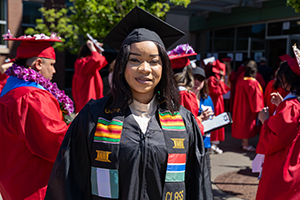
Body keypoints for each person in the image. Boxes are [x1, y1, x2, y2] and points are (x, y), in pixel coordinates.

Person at [45, 6, 213, 200]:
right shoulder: (93, 117)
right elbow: (69, 183)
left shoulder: (183, 120)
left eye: (153, 61)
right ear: (122, 65)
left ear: (163, 67)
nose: (145, 69)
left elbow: (198, 186)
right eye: (135, 60)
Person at [0, 32, 73, 200]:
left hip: (13, 180)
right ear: (38, 64)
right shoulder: (33, 97)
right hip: (36, 185)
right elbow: (55, 142)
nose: (54, 70)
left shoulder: (9, 91)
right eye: (52, 64)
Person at [256, 56, 300, 199]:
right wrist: (282, 106)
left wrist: (265, 120)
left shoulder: (291, 106)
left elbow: (274, 140)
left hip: (283, 164)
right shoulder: (293, 104)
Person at [168, 43, 204, 134]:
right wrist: (200, 120)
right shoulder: (185, 95)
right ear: (187, 73)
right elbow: (191, 125)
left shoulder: (164, 92)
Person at [231, 60, 264, 151]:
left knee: (243, 125)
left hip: (240, 107)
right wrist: (258, 110)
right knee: (246, 125)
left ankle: (244, 143)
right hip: (248, 108)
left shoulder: (241, 81)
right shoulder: (253, 83)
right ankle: (246, 145)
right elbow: (256, 99)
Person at [72, 39, 108, 113]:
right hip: (86, 99)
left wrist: (98, 50)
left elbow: (101, 61)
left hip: (92, 98)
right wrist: (92, 48)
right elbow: (97, 59)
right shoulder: (82, 63)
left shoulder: (90, 64)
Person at [192, 66, 214, 174]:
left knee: (204, 178)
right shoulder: (183, 97)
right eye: (194, 77)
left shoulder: (207, 99)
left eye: (200, 79)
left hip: (204, 143)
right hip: (190, 145)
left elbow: (211, 118)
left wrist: (214, 120)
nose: (197, 81)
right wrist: (200, 118)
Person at [207, 59, 230, 154]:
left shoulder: (215, 78)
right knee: (215, 120)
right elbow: (218, 91)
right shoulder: (212, 79)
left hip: (218, 102)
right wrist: (220, 81)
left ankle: (214, 143)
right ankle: (212, 143)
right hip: (214, 102)